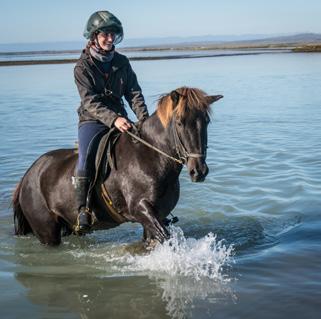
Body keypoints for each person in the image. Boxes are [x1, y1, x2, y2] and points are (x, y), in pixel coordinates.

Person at [73, 10, 149, 233]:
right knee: (85, 159)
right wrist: (113, 119)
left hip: (122, 119)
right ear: (94, 36)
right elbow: (89, 101)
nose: (109, 39)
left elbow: (134, 93)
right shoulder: (82, 67)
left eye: (113, 34)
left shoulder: (122, 62)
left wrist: (144, 120)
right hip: (92, 120)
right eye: (105, 34)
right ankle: (82, 209)